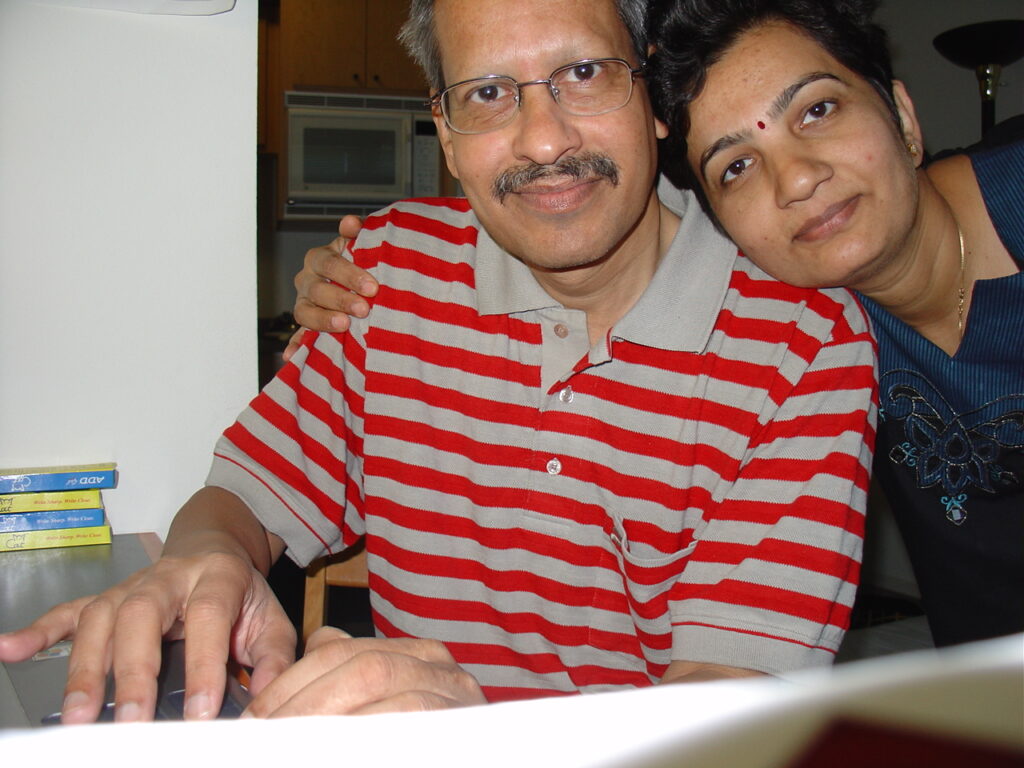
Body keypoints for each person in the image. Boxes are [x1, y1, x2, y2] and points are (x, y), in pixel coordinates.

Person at [0, 0, 876, 723]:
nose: (541, 139)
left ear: (651, 91)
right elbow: (248, 497)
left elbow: (727, 724)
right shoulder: (385, 271)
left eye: (581, 73)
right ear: (447, 134)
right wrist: (209, 556)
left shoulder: (810, 349)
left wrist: (465, 736)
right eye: (488, 92)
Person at [295, 0, 1022, 648]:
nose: (796, 179)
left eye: (818, 111)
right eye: (735, 166)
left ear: (901, 113)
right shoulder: (815, 318)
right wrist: (357, 274)